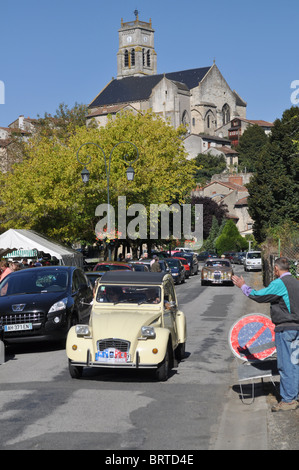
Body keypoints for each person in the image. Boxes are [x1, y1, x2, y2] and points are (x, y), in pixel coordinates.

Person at [232, 257, 299, 412]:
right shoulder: (296, 282)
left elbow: (258, 295)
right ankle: (294, 396)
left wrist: (243, 286)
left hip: (285, 329)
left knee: (286, 365)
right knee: (295, 364)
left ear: (276, 269)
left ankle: (289, 400)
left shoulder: (280, 283)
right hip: (297, 329)